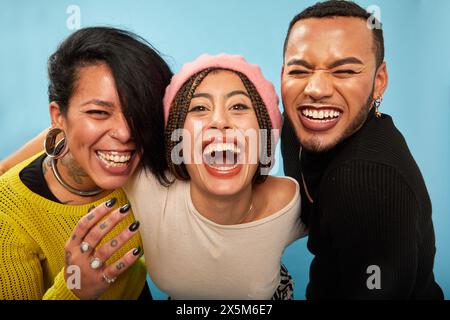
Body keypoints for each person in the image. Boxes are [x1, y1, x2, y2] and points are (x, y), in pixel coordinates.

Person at [280, 0, 443, 299]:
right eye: (299, 71)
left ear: (378, 82)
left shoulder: (367, 181)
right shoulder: (295, 124)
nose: (315, 89)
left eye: (343, 71)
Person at [0, 26, 172, 299]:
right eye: (99, 112)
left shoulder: (147, 155)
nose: (126, 133)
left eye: (137, 112)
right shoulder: (9, 217)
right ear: (58, 116)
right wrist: (74, 289)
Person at [124, 54, 307, 299]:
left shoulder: (290, 202)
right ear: (176, 138)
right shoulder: (143, 186)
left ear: (264, 136)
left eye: (239, 106)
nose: (220, 121)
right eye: (199, 108)